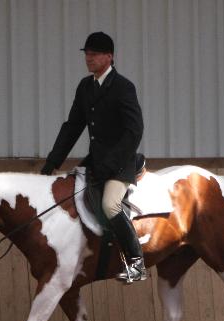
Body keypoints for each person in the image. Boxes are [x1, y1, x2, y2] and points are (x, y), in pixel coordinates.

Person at [40, 31, 146, 282]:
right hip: (96, 162)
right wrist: (53, 161)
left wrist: (111, 164)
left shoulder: (123, 87)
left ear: (109, 57)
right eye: (87, 54)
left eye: (94, 54)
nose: (89, 58)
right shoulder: (85, 87)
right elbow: (73, 126)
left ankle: (137, 262)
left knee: (110, 205)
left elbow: (134, 131)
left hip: (120, 164)